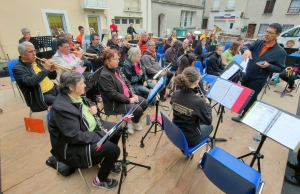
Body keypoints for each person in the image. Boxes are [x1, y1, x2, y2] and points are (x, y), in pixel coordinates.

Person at [48, 71, 121, 190]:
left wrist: (93, 106)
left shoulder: (74, 95)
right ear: (71, 87)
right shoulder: (62, 108)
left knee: (117, 129)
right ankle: (99, 180)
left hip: (88, 128)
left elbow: (86, 101)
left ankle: (104, 160)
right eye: (82, 83)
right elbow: (74, 137)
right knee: (113, 150)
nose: (85, 85)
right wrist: (100, 134)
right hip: (72, 146)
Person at [232, 23, 286, 122]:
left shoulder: (280, 52)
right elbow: (246, 46)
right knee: (243, 95)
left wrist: (269, 66)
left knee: (252, 98)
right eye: (266, 31)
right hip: (247, 75)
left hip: (258, 79)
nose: (267, 34)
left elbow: (280, 69)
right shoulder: (259, 42)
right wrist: (246, 50)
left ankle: (245, 116)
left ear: (277, 35)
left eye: (270, 33)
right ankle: (241, 110)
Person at [98, 49, 147, 134]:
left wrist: (133, 94)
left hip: (127, 96)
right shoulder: (104, 75)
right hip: (116, 103)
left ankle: (131, 121)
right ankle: (133, 121)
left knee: (145, 102)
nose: (118, 61)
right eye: (115, 59)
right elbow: (113, 95)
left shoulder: (117, 69)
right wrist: (129, 100)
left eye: (118, 58)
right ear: (107, 61)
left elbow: (127, 82)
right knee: (138, 110)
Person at [171, 67, 213, 146]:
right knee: (210, 126)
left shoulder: (175, 94)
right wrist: (207, 105)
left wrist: (194, 97)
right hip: (190, 139)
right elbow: (208, 121)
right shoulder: (198, 102)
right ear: (196, 82)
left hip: (176, 132)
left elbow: (183, 103)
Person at [13, 41, 58, 112]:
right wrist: (46, 69)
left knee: (73, 93)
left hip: (54, 88)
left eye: (34, 50)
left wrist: (52, 70)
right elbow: (31, 82)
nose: (34, 53)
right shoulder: (18, 69)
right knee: (62, 102)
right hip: (40, 95)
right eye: (30, 52)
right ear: (22, 54)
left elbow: (53, 77)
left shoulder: (37, 62)